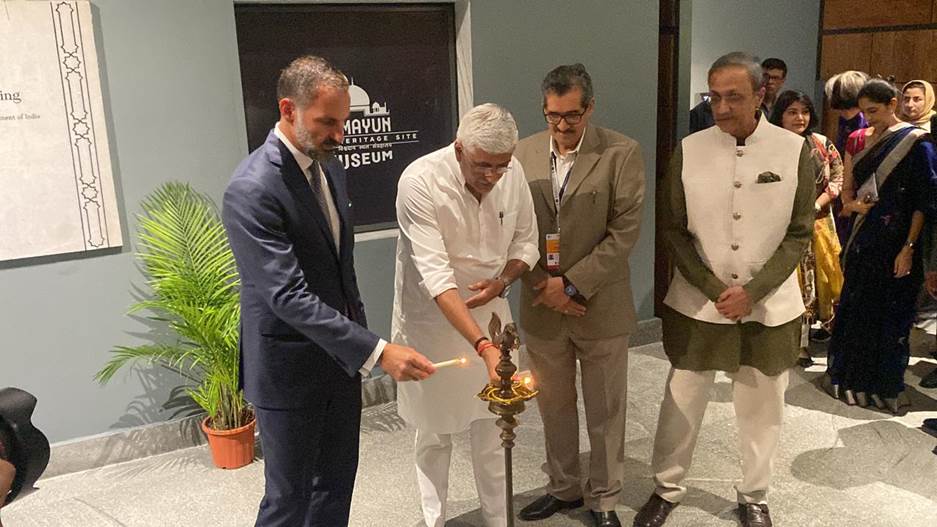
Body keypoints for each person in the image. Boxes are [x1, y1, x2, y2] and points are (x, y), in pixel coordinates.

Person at [222, 55, 435, 527]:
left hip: (339, 364)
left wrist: (357, 349)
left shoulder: (329, 168)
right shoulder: (252, 189)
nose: (339, 135)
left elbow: (341, 273)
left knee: (335, 488)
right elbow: (287, 296)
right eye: (326, 122)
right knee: (288, 499)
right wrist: (378, 350)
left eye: (343, 121)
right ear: (287, 109)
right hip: (288, 369)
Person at [634, 52, 815, 527]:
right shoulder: (689, 149)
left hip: (770, 306)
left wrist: (754, 290)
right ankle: (666, 486)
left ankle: (754, 493)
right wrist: (715, 287)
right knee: (682, 399)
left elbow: (799, 232)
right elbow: (673, 229)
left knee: (762, 406)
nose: (721, 107)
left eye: (733, 96)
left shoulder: (794, 151)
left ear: (761, 95)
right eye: (715, 96)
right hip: (698, 302)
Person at [392, 103, 539, 527]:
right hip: (432, 322)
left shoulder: (512, 175)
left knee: (494, 430)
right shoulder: (419, 181)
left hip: (493, 315)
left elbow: (526, 243)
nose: (492, 176)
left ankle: (499, 520)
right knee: (434, 432)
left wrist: (504, 280)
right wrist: (483, 347)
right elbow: (436, 276)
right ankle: (433, 519)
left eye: (501, 165)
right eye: (482, 166)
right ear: (459, 150)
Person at [514, 63, 646, 527]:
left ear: (590, 106)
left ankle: (605, 497)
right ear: (543, 110)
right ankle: (564, 487)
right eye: (553, 115)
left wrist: (569, 285)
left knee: (606, 408)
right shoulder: (521, 153)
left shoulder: (621, 153)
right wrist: (541, 287)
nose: (563, 125)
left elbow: (623, 232)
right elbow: (512, 230)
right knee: (553, 405)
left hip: (599, 304)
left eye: (572, 114)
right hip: (540, 305)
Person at [826, 79, 937, 414]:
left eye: (874, 110)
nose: (868, 117)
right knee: (857, 309)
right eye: (864, 111)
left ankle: (882, 386)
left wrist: (909, 247)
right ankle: (851, 380)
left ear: (892, 104)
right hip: (864, 239)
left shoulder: (918, 143)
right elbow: (848, 187)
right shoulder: (861, 140)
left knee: (890, 316)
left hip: (897, 242)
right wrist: (852, 204)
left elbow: (923, 201)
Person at [770, 90, 845, 367]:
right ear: (780, 115)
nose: (799, 117)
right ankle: (792, 343)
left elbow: (837, 177)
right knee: (789, 284)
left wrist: (817, 204)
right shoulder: (769, 145)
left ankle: (809, 338)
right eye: (791, 111)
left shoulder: (822, 143)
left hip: (819, 224)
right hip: (782, 226)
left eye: (804, 111)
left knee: (819, 284)